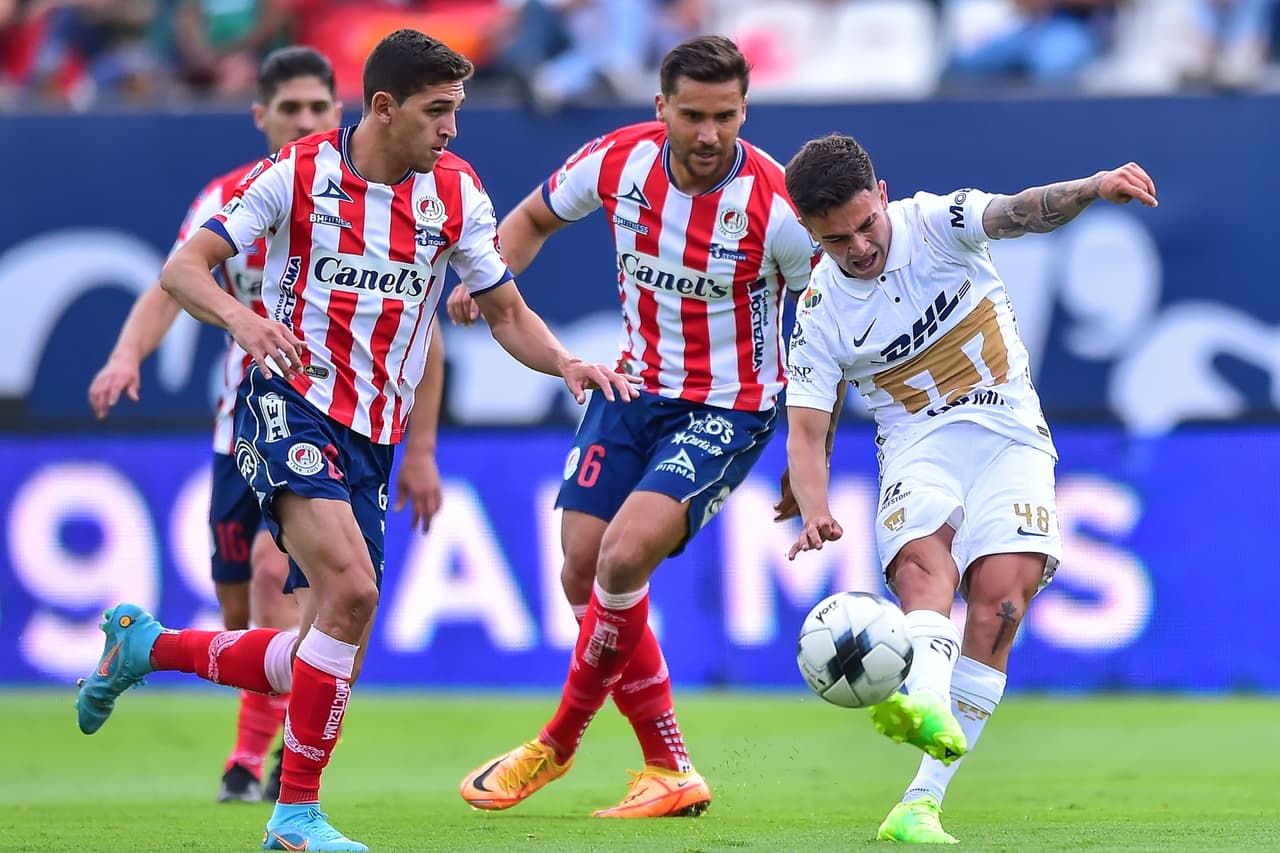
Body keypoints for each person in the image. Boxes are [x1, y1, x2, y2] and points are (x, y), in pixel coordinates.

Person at [74, 28, 636, 853]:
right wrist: (244, 318)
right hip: (286, 405)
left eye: (458, 111)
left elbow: (507, 311)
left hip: (374, 433)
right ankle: (294, 818)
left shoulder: (455, 192)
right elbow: (184, 270)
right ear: (383, 106)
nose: (452, 129)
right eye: (438, 111)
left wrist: (564, 363)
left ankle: (148, 646)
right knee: (354, 590)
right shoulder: (298, 174)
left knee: (322, 647)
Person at [451, 34, 820, 818]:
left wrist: (805, 449)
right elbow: (530, 219)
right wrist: (490, 280)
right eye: (693, 115)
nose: (710, 134)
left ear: (744, 110)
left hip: (730, 404)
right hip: (632, 386)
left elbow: (827, 330)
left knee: (622, 555)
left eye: (726, 116)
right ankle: (669, 766)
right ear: (662, 108)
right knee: (582, 570)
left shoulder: (778, 205)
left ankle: (555, 742)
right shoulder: (617, 161)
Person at [779, 132, 1157, 844]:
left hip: (1010, 433)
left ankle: (919, 803)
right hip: (920, 444)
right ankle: (924, 695)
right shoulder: (820, 311)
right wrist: (817, 506)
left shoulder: (936, 221)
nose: (860, 245)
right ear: (809, 231)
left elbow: (1021, 211)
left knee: (1002, 603)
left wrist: (1092, 185)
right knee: (928, 568)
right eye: (837, 238)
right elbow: (805, 429)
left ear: (883, 193)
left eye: (867, 223)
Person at [85, 44, 370, 805]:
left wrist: (424, 448)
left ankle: (259, 764)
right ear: (261, 116)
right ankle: (184, 679)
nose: (305, 120)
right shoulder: (228, 197)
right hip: (237, 432)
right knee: (243, 613)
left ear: (337, 112)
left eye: (318, 107)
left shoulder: (366, 198)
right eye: (291, 109)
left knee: (296, 594)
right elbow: (172, 283)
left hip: (325, 427)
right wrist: (124, 354)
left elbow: (422, 332)